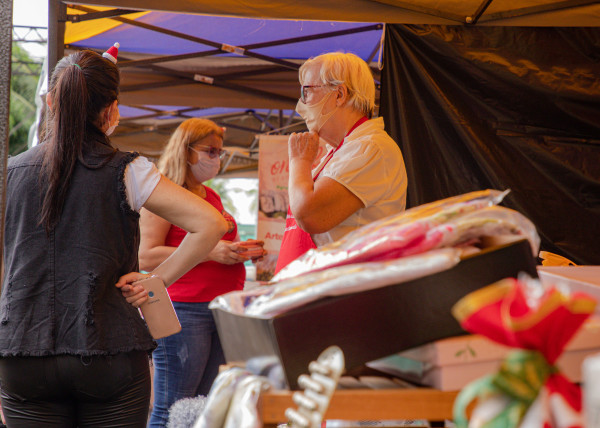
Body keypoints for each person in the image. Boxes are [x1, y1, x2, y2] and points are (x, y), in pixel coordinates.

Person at [0, 48, 228, 428]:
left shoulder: (10, 172)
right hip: (108, 348)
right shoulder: (128, 170)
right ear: (112, 110)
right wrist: (157, 281)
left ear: (52, 101)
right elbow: (211, 224)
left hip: (23, 349)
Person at [138, 118, 264, 427]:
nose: (217, 158)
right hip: (183, 309)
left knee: (204, 408)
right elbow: (146, 255)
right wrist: (212, 252)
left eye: (219, 151)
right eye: (211, 151)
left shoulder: (210, 196)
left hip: (218, 309)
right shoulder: (164, 194)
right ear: (187, 150)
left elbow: (216, 248)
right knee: (172, 406)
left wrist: (239, 251)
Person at [275, 52, 408, 274]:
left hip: (349, 284)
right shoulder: (344, 149)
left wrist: (299, 161)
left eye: (306, 91)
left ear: (339, 94)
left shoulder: (369, 148)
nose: (300, 105)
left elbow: (309, 215)